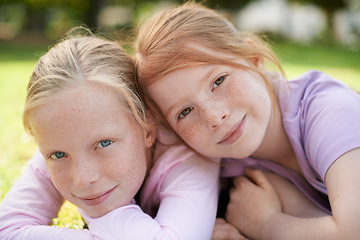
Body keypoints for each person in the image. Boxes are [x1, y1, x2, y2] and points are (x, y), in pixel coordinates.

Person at [134, 2, 360, 239]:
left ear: (253, 59)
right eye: (184, 112)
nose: (214, 117)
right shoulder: (233, 162)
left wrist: (267, 225)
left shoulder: (330, 110)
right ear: (169, 130)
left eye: (218, 81)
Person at [0, 31, 220, 239]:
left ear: (148, 126)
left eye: (104, 143)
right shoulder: (67, 137)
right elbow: (6, 230)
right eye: (58, 155)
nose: (83, 179)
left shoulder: (189, 156)